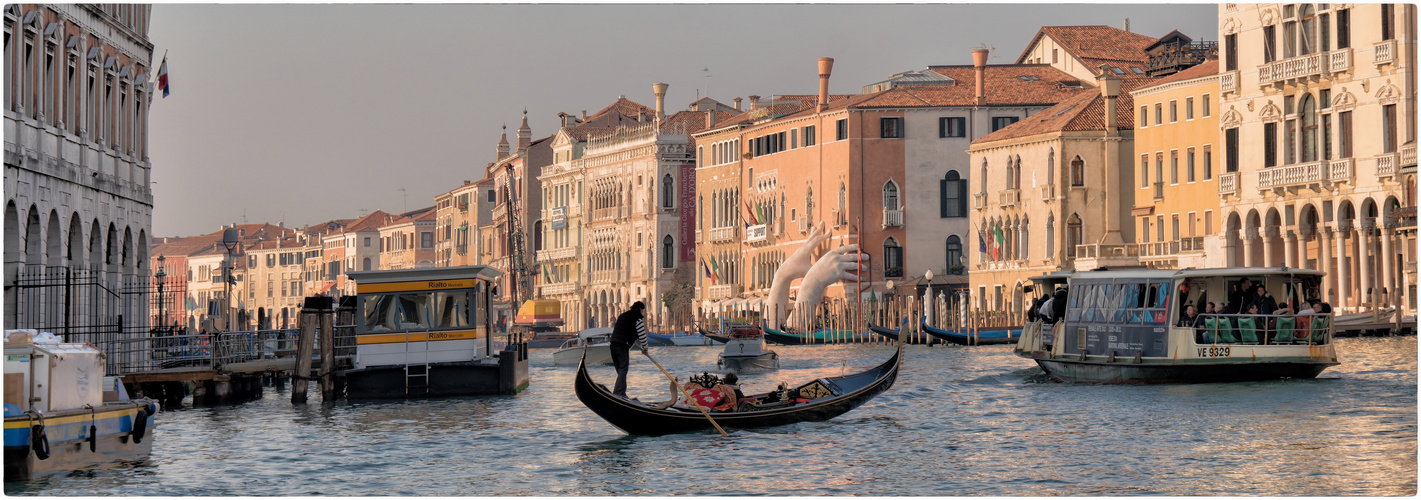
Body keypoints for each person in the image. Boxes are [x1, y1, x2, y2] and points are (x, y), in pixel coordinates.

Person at [609, 301, 649, 399]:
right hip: (622, 346)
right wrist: (645, 349)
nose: (642, 313)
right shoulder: (637, 320)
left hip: (613, 345)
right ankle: (618, 393)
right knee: (623, 369)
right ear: (640, 310)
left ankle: (621, 392)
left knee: (620, 371)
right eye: (642, 310)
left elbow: (621, 330)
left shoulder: (622, 316)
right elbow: (643, 336)